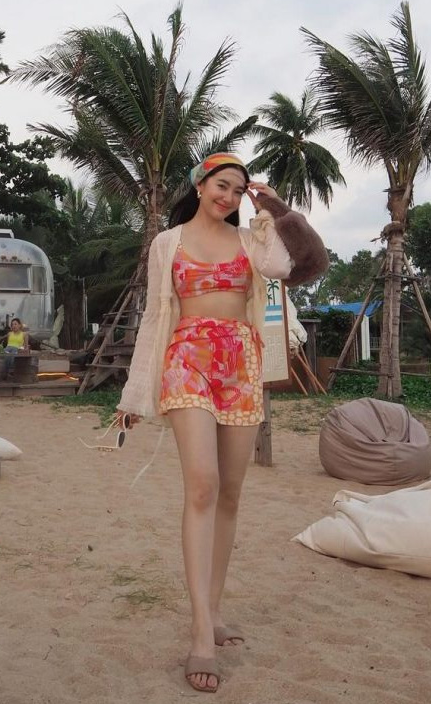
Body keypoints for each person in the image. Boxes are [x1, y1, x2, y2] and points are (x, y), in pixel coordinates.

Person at [116, 153, 329, 692]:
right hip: (186, 361)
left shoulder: (253, 241)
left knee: (230, 493)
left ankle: (213, 611)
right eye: (221, 185)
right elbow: (154, 318)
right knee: (203, 486)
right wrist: (134, 396)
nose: (228, 197)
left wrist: (276, 209)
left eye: (238, 190)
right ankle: (199, 634)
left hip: (241, 363)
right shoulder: (167, 243)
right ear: (200, 185)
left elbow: (301, 266)